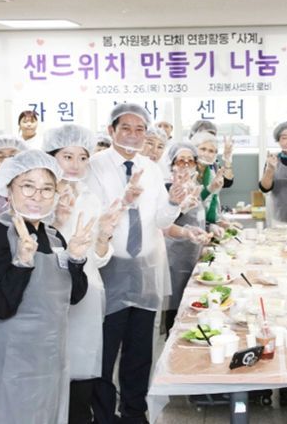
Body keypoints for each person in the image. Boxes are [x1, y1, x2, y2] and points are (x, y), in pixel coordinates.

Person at [0, 150, 90, 424]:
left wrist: (76, 260)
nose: (37, 196)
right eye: (27, 186)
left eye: (46, 189)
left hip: (51, 357)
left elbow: (73, 296)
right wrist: (22, 263)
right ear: (8, 188)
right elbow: (1, 307)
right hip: (10, 361)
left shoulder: (55, 238)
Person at [86, 104, 185, 424]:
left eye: (140, 129)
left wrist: (174, 202)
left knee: (140, 350)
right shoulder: (94, 167)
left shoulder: (151, 168)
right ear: (111, 130)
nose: (133, 135)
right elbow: (90, 218)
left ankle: (134, 412)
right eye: (126, 128)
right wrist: (123, 200)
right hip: (106, 267)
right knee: (103, 351)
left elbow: (160, 220)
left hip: (145, 269)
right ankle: (103, 415)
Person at [43, 124, 125, 424]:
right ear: (51, 156)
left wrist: (104, 236)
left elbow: (97, 259)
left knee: (82, 372)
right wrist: (55, 220)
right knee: (51, 372)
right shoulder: (39, 196)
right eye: (67, 156)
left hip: (87, 294)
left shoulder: (90, 197)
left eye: (82, 157)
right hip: (50, 294)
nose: (76, 165)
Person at [162, 142, 211, 335]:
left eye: (190, 161)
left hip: (193, 252)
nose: (185, 165)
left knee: (191, 302)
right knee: (175, 306)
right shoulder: (168, 188)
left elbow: (197, 218)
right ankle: (172, 341)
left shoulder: (195, 187)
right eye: (181, 160)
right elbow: (164, 222)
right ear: (172, 164)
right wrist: (181, 207)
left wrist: (209, 229)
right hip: (175, 256)